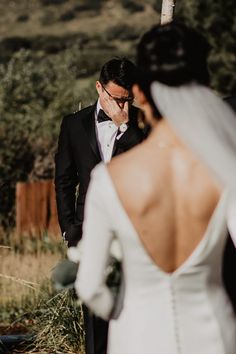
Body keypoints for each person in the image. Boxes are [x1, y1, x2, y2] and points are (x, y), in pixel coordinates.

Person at [75, 22, 236, 354]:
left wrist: (125, 314)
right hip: (215, 335)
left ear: (141, 94)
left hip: (137, 337)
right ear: (204, 88)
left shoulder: (109, 179)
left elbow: (90, 287)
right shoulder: (225, 170)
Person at [54, 57, 145, 354]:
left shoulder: (144, 123)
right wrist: (70, 230)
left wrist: (125, 126)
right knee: (95, 321)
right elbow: (64, 181)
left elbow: (152, 167)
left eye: (126, 100)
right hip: (89, 233)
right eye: (115, 99)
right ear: (98, 88)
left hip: (138, 235)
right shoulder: (73, 124)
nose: (121, 106)